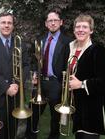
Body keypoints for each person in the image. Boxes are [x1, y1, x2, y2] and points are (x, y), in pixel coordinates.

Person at [64, 14, 105, 139]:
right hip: (76, 105)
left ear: (91, 30)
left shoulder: (98, 50)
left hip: (91, 108)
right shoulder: (70, 48)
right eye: (78, 27)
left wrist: (81, 84)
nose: (80, 29)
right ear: (74, 30)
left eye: (85, 27)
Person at [25, 8, 71, 139]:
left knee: (55, 116)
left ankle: (53, 136)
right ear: (46, 23)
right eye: (50, 20)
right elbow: (35, 60)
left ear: (61, 22)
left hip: (56, 83)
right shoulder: (40, 40)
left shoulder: (67, 42)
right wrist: (34, 72)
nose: (53, 23)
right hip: (39, 82)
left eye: (55, 20)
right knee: (33, 112)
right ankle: (30, 135)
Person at [0, 11, 30, 139]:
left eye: (9, 23)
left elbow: (26, 65)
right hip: (0, 95)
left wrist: (17, 85)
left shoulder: (20, 43)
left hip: (16, 94)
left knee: (13, 130)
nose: (6, 25)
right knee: (0, 132)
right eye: (3, 22)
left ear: (13, 26)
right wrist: (6, 87)